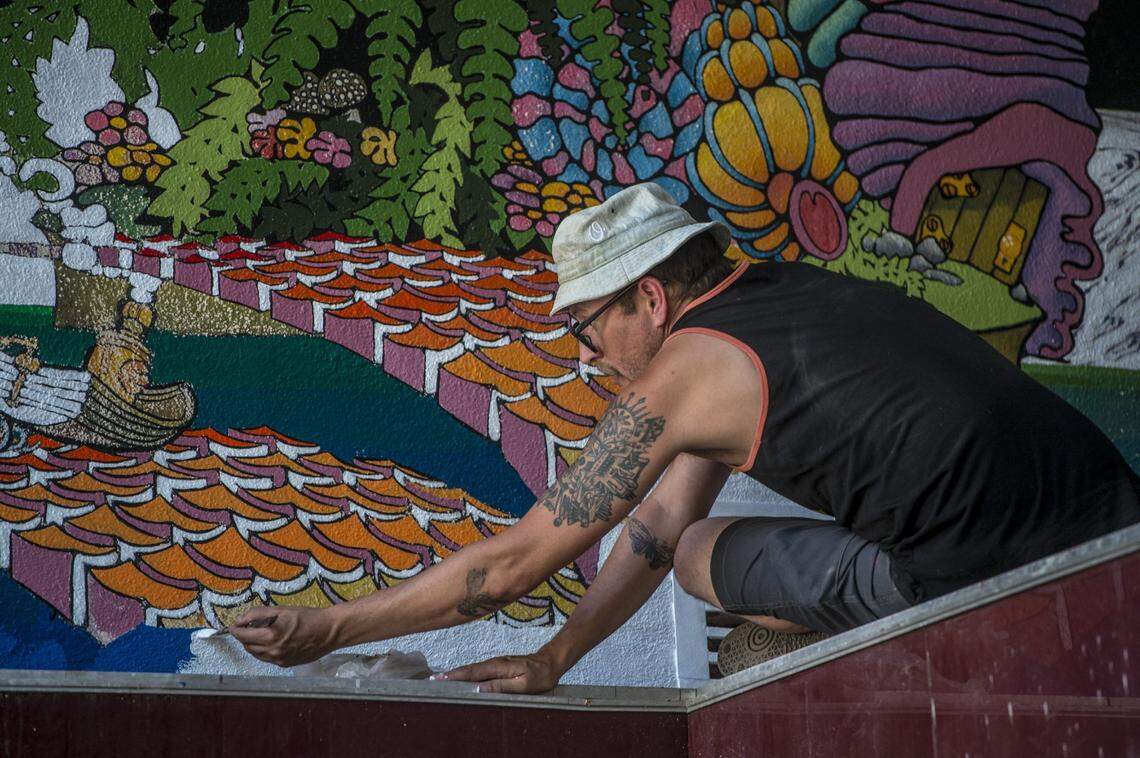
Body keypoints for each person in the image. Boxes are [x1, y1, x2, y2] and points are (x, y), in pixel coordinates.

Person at [232, 182, 1140, 691]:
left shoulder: (685, 374)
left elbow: (511, 568)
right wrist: (557, 657)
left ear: (652, 298)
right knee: (687, 539)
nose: (588, 358)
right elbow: (654, 531)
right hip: (1120, 537)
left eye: (586, 328)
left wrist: (329, 625)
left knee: (710, 557)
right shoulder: (787, 297)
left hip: (1001, 591)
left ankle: (904, 636)